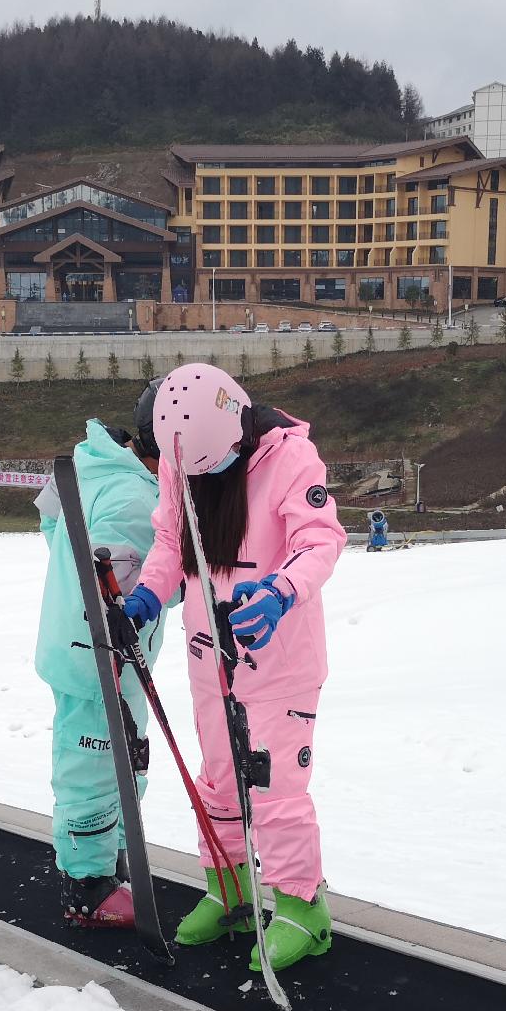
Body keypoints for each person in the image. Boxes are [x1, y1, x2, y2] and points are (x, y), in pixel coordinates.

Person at [122, 365, 348, 972]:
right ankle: (231, 892)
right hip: (208, 654)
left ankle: (302, 906)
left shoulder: (291, 460)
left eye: (213, 467)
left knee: (274, 788)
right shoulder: (181, 458)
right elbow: (172, 542)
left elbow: (320, 541)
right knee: (218, 780)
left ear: (236, 431)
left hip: (277, 656)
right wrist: (148, 593)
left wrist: (280, 591)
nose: (204, 480)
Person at [33, 397, 170, 927]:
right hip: (99, 660)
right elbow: (127, 584)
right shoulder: (134, 494)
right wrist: (173, 586)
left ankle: (108, 859)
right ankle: (86, 885)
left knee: (122, 760)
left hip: (86, 649)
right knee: (94, 767)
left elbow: (51, 523)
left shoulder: (94, 465)